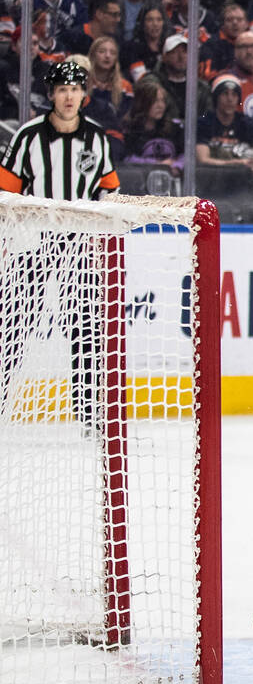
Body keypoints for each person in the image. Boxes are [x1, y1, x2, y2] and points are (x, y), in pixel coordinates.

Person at [0, 61, 119, 431]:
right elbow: (6, 189)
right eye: (62, 89)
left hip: (79, 247)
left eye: (75, 89)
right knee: (13, 326)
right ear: (51, 94)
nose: (69, 96)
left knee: (85, 328)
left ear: (84, 94)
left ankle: (88, 413)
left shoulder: (97, 138)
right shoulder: (29, 136)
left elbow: (109, 189)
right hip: (33, 244)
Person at [195, 75, 253, 178]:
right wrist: (237, 164)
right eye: (225, 94)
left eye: (234, 95)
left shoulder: (247, 123)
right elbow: (203, 159)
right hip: (212, 179)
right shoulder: (204, 123)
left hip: (242, 180)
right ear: (216, 98)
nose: (230, 99)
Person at [122, 76, 184, 171]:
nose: (160, 106)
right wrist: (158, 165)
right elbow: (128, 159)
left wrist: (177, 166)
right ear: (142, 103)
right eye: (155, 101)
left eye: (163, 101)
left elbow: (186, 155)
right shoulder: (130, 130)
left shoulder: (175, 128)